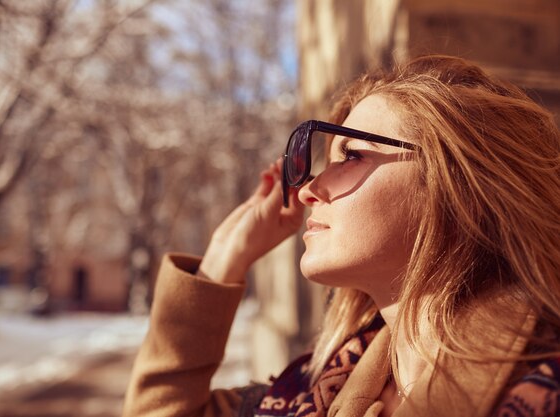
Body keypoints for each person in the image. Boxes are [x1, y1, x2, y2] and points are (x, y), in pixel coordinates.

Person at [122, 55, 560, 417]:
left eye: (350, 155)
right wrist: (224, 256)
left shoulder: (544, 389)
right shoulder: (314, 388)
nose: (309, 189)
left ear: (459, 183)